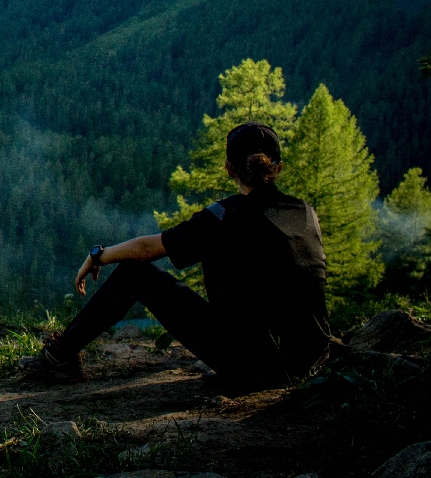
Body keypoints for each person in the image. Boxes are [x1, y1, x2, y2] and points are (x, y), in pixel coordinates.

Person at [21, 122, 331, 390]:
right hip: (311, 363)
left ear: (228, 169)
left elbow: (147, 249)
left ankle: (58, 357)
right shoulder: (307, 214)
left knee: (134, 273)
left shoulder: (224, 216)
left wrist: (99, 255)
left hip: (253, 369)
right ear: (277, 167)